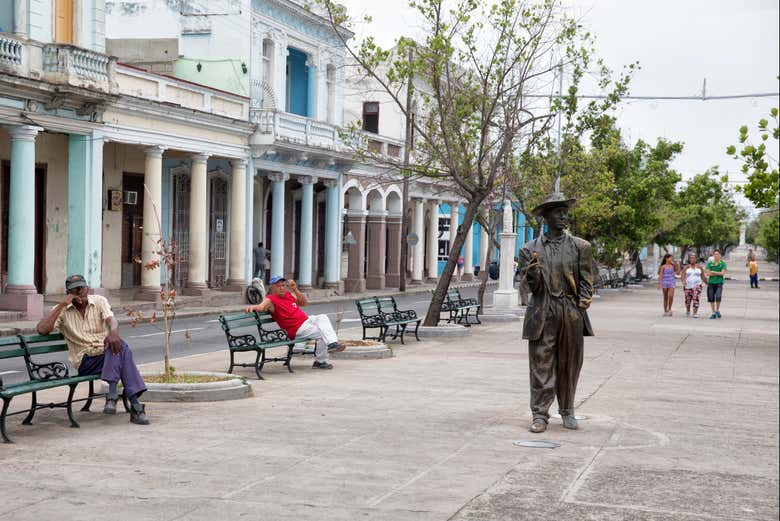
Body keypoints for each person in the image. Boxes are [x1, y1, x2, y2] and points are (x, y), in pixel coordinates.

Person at [518, 192, 594, 434]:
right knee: (541, 364)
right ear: (546, 216)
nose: (563, 216)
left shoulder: (581, 247)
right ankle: (539, 414)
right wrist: (531, 274)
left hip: (570, 311)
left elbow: (586, 281)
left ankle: (568, 410)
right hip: (542, 311)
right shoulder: (529, 250)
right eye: (558, 212)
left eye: (565, 212)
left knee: (570, 363)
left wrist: (580, 306)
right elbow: (531, 287)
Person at [36, 274, 149, 425]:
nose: (79, 292)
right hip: (85, 361)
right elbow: (42, 330)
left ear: (87, 288)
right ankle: (125, 402)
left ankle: (120, 399)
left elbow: (111, 320)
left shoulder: (99, 301)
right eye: (74, 290)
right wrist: (62, 305)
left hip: (106, 356)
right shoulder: (61, 310)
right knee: (122, 350)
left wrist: (113, 332)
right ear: (68, 293)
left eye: (81, 288)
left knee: (118, 346)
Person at [245, 276, 345, 369]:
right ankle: (320, 361)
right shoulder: (271, 299)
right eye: (278, 286)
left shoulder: (288, 295)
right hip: (297, 328)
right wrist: (253, 307)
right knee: (322, 333)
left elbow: (303, 303)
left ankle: (332, 344)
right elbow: (261, 307)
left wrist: (295, 289)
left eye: (283, 285)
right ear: (272, 287)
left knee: (323, 317)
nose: (281, 288)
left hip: (306, 321)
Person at [681, 252, 707, 318]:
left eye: (693, 258)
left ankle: (695, 312)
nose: (692, 259)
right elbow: (683, 276)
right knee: (688, 300)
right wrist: (683, 281)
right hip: (688, 286)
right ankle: (688, 310)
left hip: (697, 285)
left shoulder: (700, 267)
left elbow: (703, 277)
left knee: (696, 298)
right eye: (691, 258)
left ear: (696, 259)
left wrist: (708, 283)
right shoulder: (686, 267)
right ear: (689, 259)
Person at [705, 249, 727, 319]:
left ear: (720, 255)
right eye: (715, 254)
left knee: (718, 296)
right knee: (711, 298)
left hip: (719, 283)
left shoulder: (723, 263)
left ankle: (717, 310)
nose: (716, 255)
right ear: (713, 255)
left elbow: (722, 273)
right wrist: (718, 273)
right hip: (711, 283)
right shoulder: (710, 263)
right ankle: (713, 312)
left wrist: (713, 272)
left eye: (717, 254)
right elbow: (708, 273)